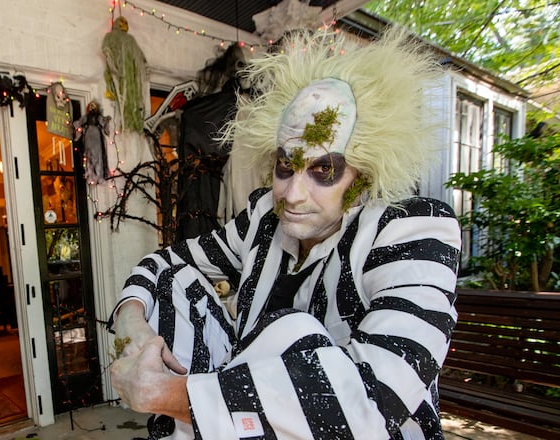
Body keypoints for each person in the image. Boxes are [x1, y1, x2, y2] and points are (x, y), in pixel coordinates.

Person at [109, 27, 461, 440]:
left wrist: (169, 395)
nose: (293, 194)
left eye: (323, 170)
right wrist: (132, 325)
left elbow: (371, 400)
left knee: (292, 331)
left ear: (361, 176)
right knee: (172, 285)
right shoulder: (265, 216)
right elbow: (168, 264)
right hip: (244, 422)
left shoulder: (411, 229)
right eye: (285, 166)